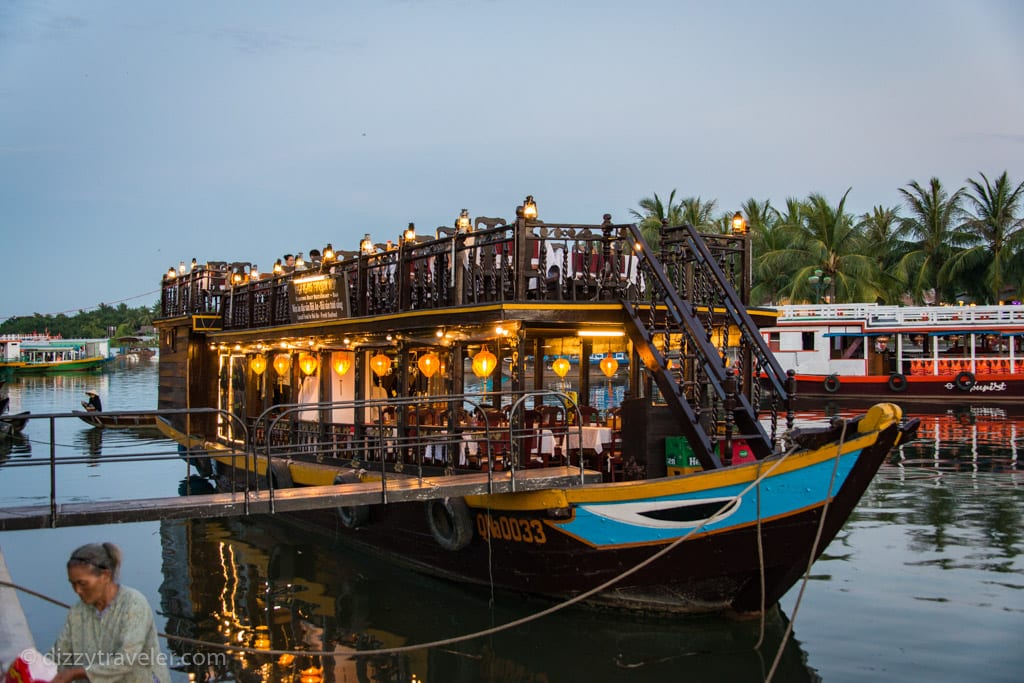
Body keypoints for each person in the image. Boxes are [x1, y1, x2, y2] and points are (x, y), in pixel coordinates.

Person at [50, 542, 171, 683]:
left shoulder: (134, 603)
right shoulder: (77, 611)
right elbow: (59, 655)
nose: (77, 590)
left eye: (82, 584)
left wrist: (77, 673)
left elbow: (127, 660)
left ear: (105, 576)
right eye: (73, 584)